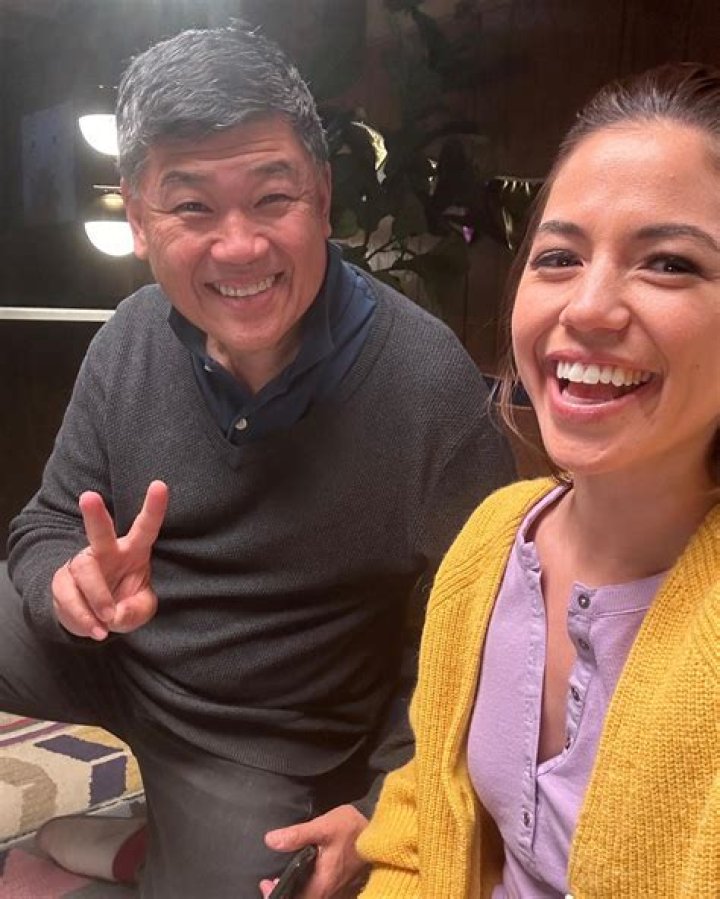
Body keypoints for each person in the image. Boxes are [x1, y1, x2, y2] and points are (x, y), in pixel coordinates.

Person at [0, 20, 515, 899]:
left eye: (272, 197)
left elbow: (480, 641)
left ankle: (130, 853)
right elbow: (45, 522)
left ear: (322, 194)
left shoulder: (426, 383)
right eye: (192, 206)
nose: (238, 246)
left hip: (261, 736)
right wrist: (67, 584)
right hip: (109, 653)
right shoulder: (131, 338)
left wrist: (382, 802)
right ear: (138, 220)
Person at [357, 61, 720, 897]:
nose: (586, 308)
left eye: (668, 264)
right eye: (559, 256)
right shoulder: (496, 536)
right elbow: (424, 816)